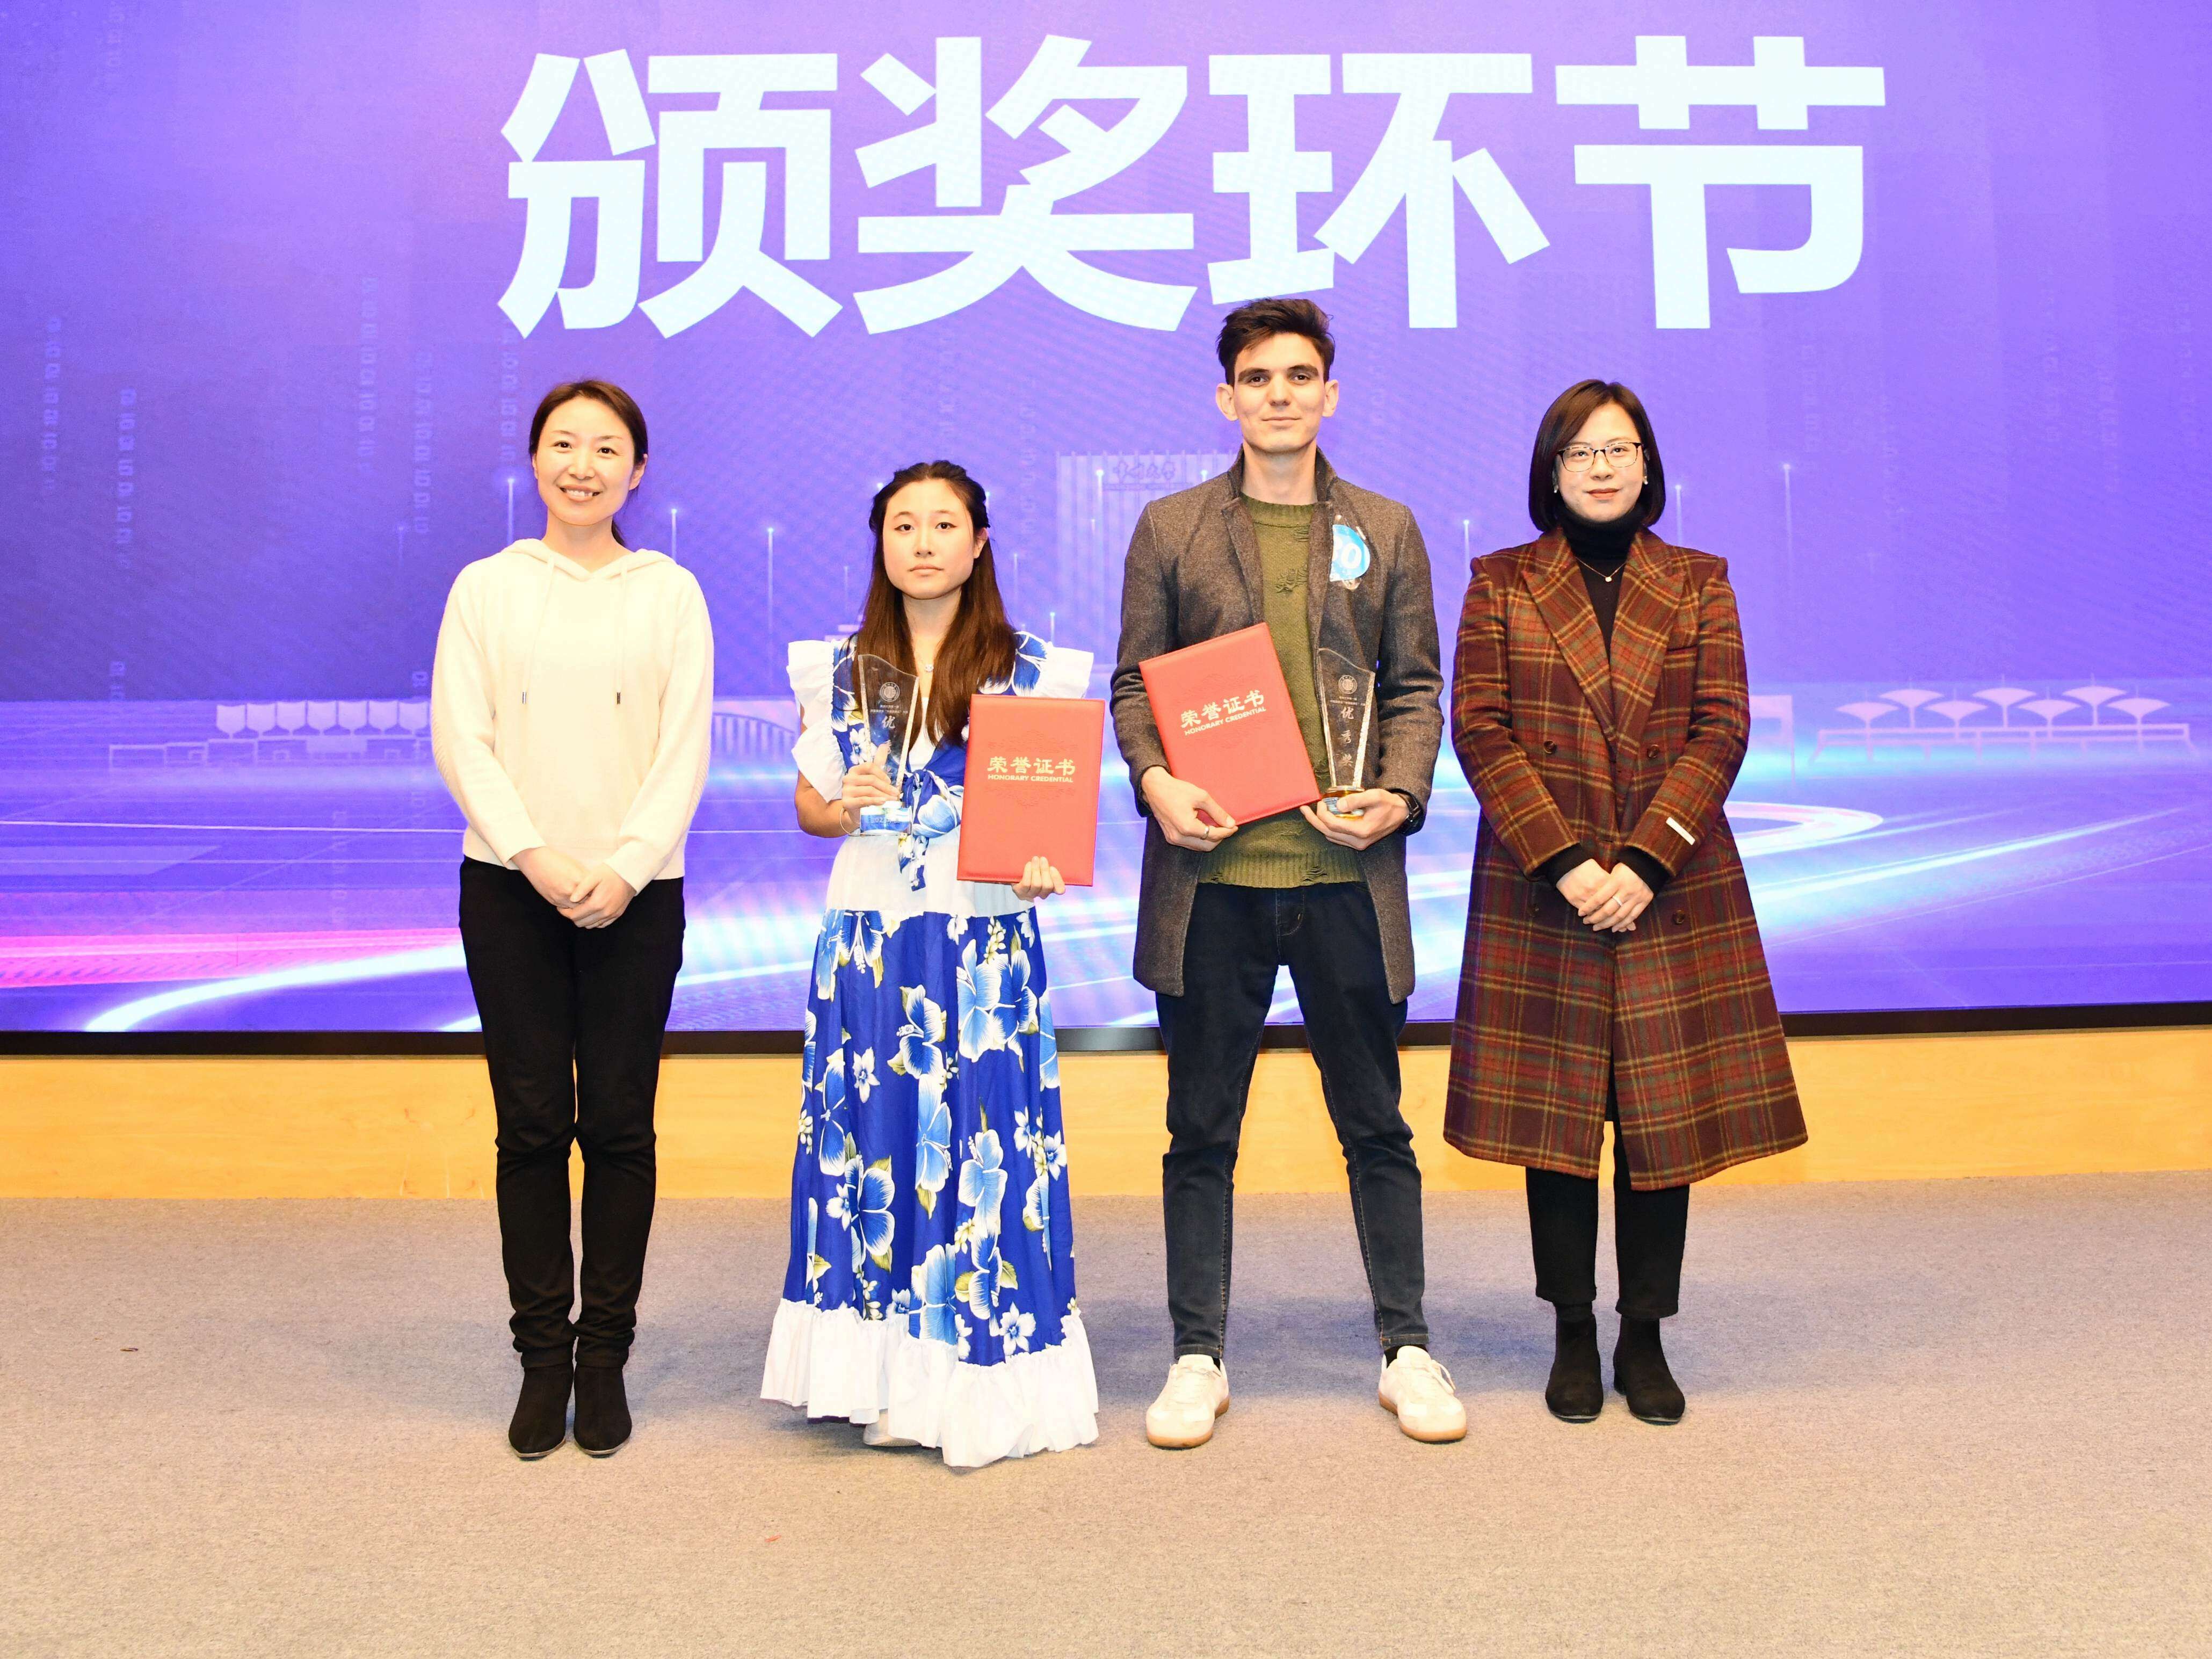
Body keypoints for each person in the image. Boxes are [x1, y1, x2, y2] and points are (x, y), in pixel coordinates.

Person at [1111, 298, 1462, 1449]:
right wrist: (1156, 781)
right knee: (1200, 1129)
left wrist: (1399, 795)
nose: (1278, 394)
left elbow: (1416, 686)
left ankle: (1406, 1348)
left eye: (1299, 376)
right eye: (1257, 378)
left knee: (1376, 1124)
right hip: (1211, 879)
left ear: (1329, 394)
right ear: (1227, 398)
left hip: (1344, 877)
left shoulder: (1385, 527)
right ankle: (1195, 1356)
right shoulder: (1170, 527)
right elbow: (1135, 685)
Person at [1446, 380, 1807, 1425]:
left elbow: (1720, 728)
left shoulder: (1698, 581)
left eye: (1619, 448)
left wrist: (1646, 861)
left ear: (1647, 465)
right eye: (1580, 452)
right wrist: (1563, 860)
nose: (1600, 468)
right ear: (1550, 472)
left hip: (1670, 884)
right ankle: (1570, 1326)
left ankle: (1642, 1333)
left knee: (1660, 1123)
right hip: (1543, 887)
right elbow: (1480, 727)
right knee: (1557, 1125)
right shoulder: (1499, 582)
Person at [763, 460, 1099, 1468]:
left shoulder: (1033, 670)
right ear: (881, 542)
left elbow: (1049, 823)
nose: (922, 541)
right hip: (870, 936)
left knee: (981, 1148)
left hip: (982, 937)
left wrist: (1041, 866)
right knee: (874, 1143)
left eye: (944, 523)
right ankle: (875, 1377)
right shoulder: (838, 667)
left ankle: (975, 1376)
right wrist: (846, 805)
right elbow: (811, 808)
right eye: (903, 523)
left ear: (979, 542)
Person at [432, 379, 713, 1459]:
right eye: (563, 444)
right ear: (534, 461)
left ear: (637, 472)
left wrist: (627, 867)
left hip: (639, 895)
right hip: (510, 889)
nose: (582, 465)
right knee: (533, 1124)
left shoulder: (669, 592)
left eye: (606, 448)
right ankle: (541, 1357)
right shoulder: (486, 587)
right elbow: (462, 739)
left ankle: (605, 1359)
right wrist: (536, 856)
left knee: (622, 1126)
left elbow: (684, 747)